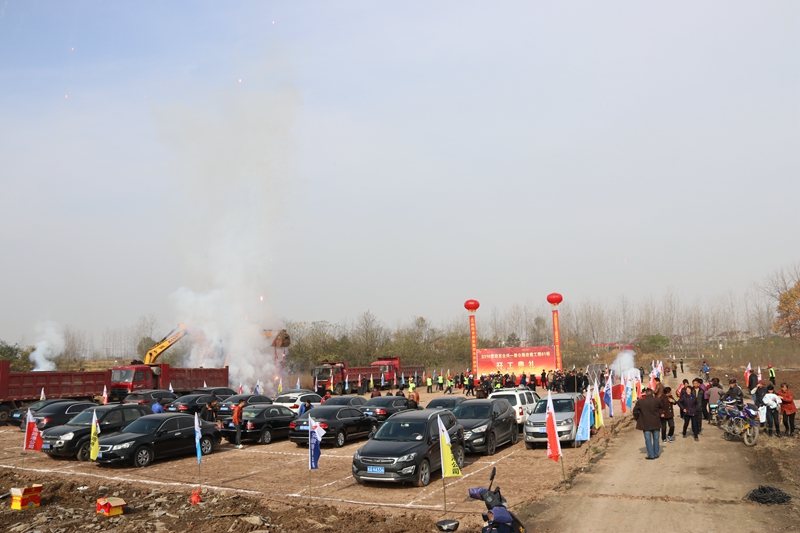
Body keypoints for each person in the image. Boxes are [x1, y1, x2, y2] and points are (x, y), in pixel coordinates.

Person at [633, 388, 662, 460]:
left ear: (645, 393)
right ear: (652, 393)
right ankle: (656, 454)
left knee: (648, 439)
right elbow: (661, 407)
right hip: (656, 422)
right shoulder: (657, 400)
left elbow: (635, 411)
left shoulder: (640, 401)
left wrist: (637, 418)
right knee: (656, 439)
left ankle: (651, 455)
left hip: (645, 423)